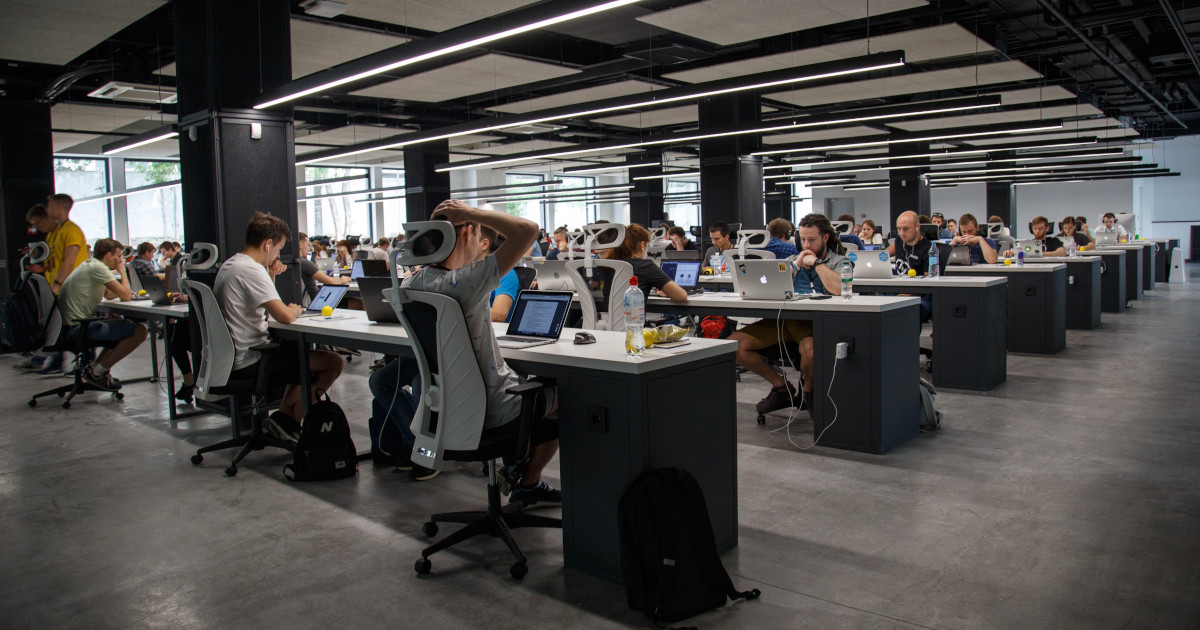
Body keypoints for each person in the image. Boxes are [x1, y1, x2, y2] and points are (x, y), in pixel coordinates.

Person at [406, 199, 560, 509]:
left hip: (449, 413)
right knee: (568, 393)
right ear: (466, 235)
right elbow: (528, 230)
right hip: (496, 413)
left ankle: (517, 466)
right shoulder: (465, 281)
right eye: (477, 233)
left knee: (527, 388)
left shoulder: (413, 283)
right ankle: (527, 481)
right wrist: (472, 214)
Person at [215, 213, 344, 442]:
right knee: (333, 362)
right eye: (278, 249)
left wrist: (271, 275)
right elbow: (284, 316)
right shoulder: (251, 270)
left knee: (298, 355)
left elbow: (262, 303)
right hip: (251, 358)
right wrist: (295, 310)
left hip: (233, 357)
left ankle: (284, 419)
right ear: (267, 244)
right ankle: (290, 419)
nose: (277, 255)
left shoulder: (232, 265)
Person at [728, 214, 848, 415]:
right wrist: (796, 265)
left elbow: (839, 289)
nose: (806, 244)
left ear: (825, 238)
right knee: (736, 344)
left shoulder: (840, 261)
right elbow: (770, 286)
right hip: (785, 321)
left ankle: (808, 393)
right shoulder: (792, 260)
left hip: (815, 324)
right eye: (803, 239)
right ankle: (781, 387)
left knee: (810, 349)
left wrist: (817, 263)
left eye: (812, 240)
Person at [57, 238, 149, 390]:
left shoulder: (90, 265)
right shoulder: (99, 268)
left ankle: (96, 370)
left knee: (124, 325)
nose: (121, 260)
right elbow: (125, 297)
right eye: (119, 256)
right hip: (77, 329)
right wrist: (122, 272)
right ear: (109, 255)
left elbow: (108, 294)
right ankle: (97, 372)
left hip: (71, 326)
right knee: (140, 331)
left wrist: (123, 291)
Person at [610, 223, 687, 303]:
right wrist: (669, 292)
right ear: (642, 245)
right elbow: (681, 296)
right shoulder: (646, 266)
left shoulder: (611, 265)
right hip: (634, 314)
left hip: (607, 315)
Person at [885, 211, 934, 321]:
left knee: (902, 314)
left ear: (917, 227)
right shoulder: (899, 241)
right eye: (899, 229)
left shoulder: (928, 248)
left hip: (920, 294)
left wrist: (908, 294)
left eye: (906, 229)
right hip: (899, 290)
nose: (902, 233)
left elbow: (929, 284)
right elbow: (883, 256)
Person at [481, 225, 522, 322]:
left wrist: (459, 313)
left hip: (492, 330)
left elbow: (500, 314)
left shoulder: (505, 273)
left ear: (484, 244)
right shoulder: (469, 271)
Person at [296, 232, 350, 301]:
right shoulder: (304, 263)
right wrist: (342, 280)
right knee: (358, 303)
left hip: (314, 301)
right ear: (300, 245)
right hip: (318, 302)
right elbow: (330, 281)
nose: (309, 249)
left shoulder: (294, 263)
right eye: (307, 245)